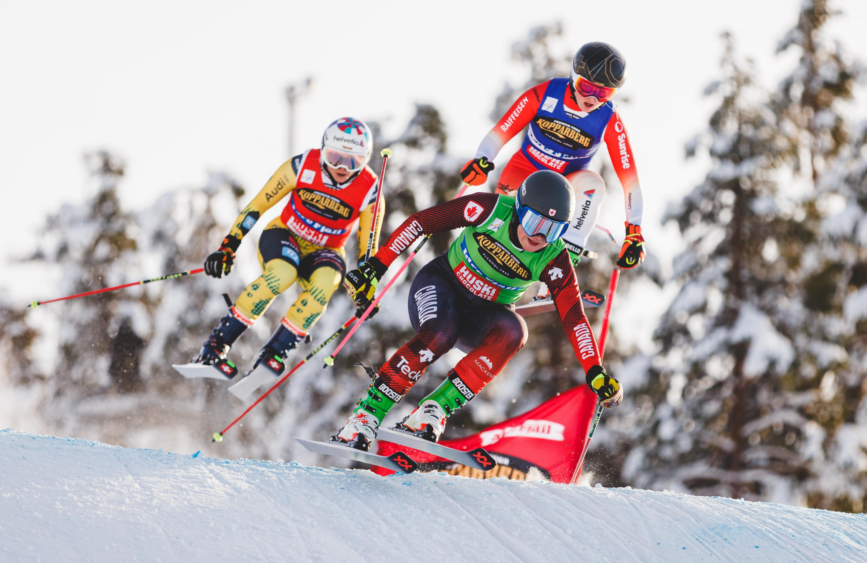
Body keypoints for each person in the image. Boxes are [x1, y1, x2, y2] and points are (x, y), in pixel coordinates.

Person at [330, 170, 623, 451]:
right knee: (441, 334)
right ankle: (365, 416)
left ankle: (433, 410)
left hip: (482, 315)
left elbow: (574, 318)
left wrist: (595, 370)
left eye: (553, 230)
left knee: (514, 331)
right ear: (519, 209)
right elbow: (422, 222)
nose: (539, 237)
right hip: (441, 286)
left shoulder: (553, 256)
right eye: (534, 222)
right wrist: (376, 267)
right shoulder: (489, 209)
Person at [192, 117, 385, 375]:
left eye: (354, 161)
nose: (342, 167)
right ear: (323, 148)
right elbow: (258, 205)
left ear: (366, 160)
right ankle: (216, 346)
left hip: (325, 252)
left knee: (327, 283)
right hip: (285, 235)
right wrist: (229, 246)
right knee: (282, 275)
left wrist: (365, 290)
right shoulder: (301, 166)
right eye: (335, 156)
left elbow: (367, 251)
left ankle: (275, 351)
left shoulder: (370, 191)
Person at [460, 41, 646, 274]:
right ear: (573, 76)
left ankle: (560, 269)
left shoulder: (609, 121)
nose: (593, 99)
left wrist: (634, 231)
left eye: (604, 93)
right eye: (587, 87)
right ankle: (477, 271)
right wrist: (482, 160)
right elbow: (502, 130)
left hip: (565, 187)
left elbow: (631, 182)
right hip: (524, 173)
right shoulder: (546, 93)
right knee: (507, 231)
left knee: (593, 184)